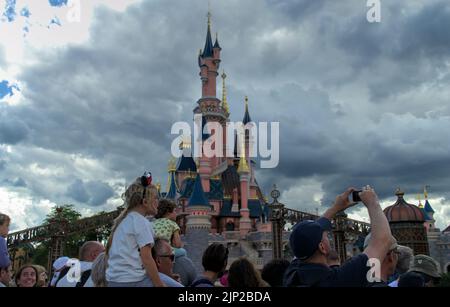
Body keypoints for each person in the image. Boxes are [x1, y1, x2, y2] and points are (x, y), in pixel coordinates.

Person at [284, 186, 394, 287]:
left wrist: (335, 208)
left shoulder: (291, 275)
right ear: (322, 247)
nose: (328, 236)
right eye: (326, 236)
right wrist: (373, 202)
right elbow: (383, 241)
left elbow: (305, 238)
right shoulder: (339, 279)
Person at [106, 173, 166, 287]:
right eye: (156, 198)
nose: (158, 202)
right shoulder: (142, 223)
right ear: (145, 202)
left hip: (114, 281)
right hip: (132, 281)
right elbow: (147, 258)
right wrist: (160, 285)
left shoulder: (124, 221)